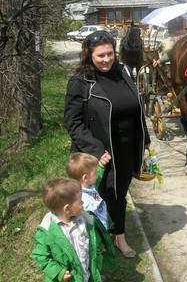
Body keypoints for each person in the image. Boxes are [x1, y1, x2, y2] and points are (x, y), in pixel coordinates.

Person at [64, 30, 151, 259]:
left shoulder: (122, 72)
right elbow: (72, 122)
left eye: (110, 54)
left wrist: (145, 143)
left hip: (127, 149)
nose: (106, 59)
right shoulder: (80, 82)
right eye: (100, 55)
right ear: (89, 55)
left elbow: (137, 111)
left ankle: (119, 238)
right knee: (97, 199)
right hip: (99, 154)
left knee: (119, 195)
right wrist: (95, 149)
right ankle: (94, 244)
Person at [32, 178, 102, 281]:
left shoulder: (84, 220)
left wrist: (98, 248)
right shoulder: (47, 232)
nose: (83, 202)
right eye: (80, 201)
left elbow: (93, 239)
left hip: (87, 273)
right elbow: (41, 256)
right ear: (67, 209)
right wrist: (58, 273)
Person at [66, 152, 118, 269]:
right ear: (85, 178)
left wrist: (100, 166)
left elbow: (97, 178)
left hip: (104, 226)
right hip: (96, 234)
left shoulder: (89, 186)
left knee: (107, 246)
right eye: (94, 173)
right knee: (97, 255)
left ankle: (104, 262)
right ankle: (97, 273)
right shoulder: (80, 200)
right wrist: (98, 241)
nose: (96, 175)